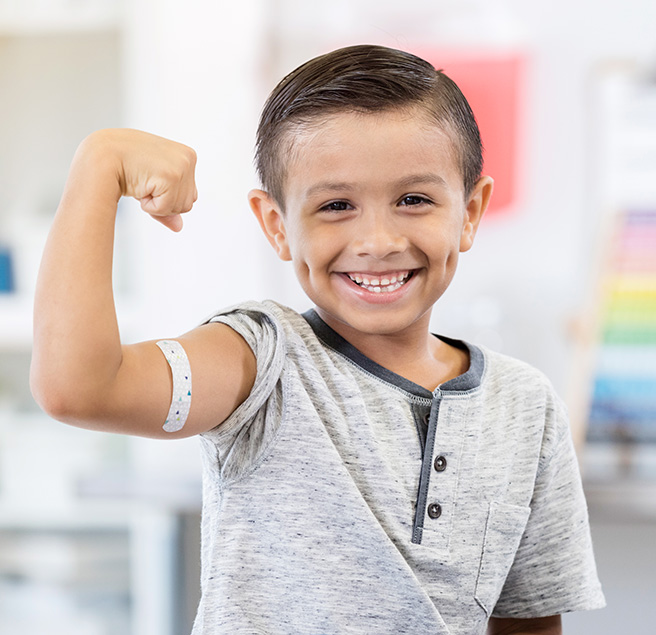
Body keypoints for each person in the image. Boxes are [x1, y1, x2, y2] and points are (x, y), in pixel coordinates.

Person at [31, 44, 605, 634]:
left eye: (413, 200)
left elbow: (529, 623)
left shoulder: (527, 408)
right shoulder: (258, 360)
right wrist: (98, 168)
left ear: (470, 212)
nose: (377, 240)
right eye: (336, 205)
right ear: (277, 226)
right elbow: (79, 387)